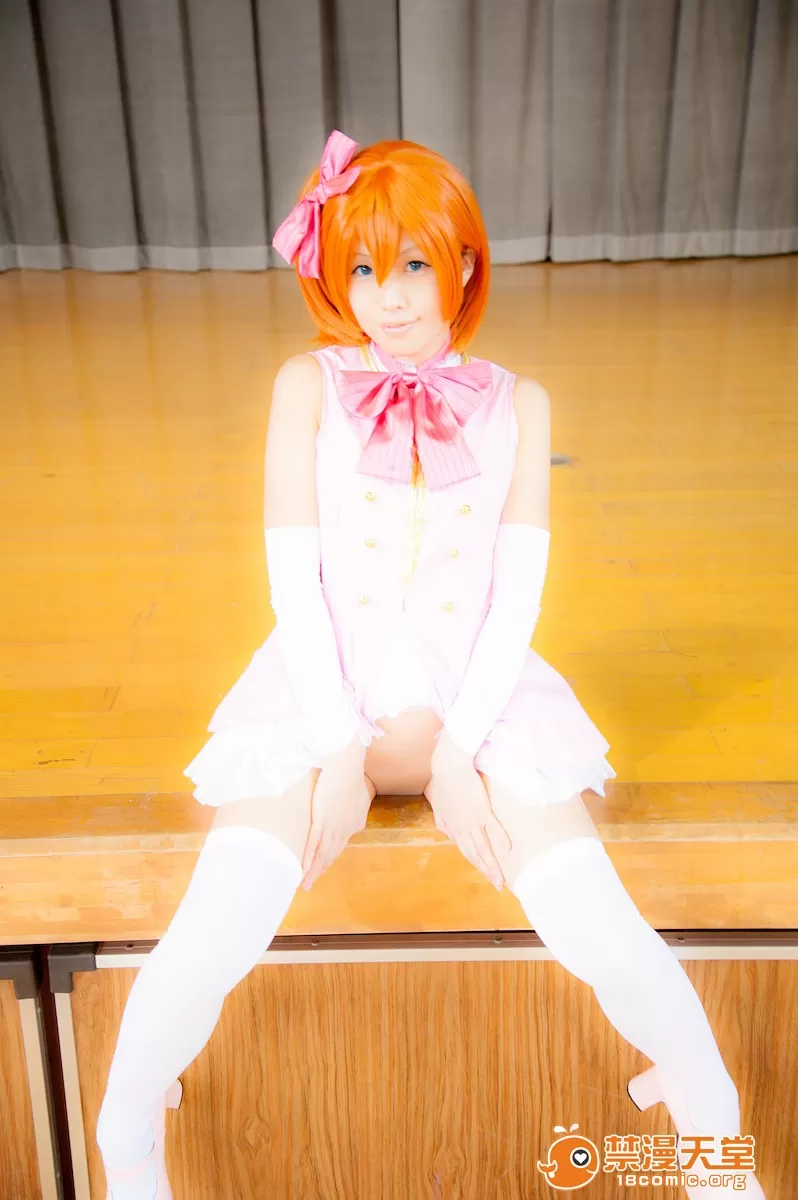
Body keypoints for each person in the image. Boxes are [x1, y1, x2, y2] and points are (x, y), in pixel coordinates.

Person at [96, 131, 763, 1199]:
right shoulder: (306, 385)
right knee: (216, 928)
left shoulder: (520, 402)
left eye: (414, 263)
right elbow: (293, 583)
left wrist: (457, 755)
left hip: (482, 707)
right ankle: (126, 1136)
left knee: (604, 934)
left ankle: (713, 1131)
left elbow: (516, 599)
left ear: (463, 262)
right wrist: (339, 753)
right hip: (319, 696)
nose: (390, 296)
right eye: (363, 268)